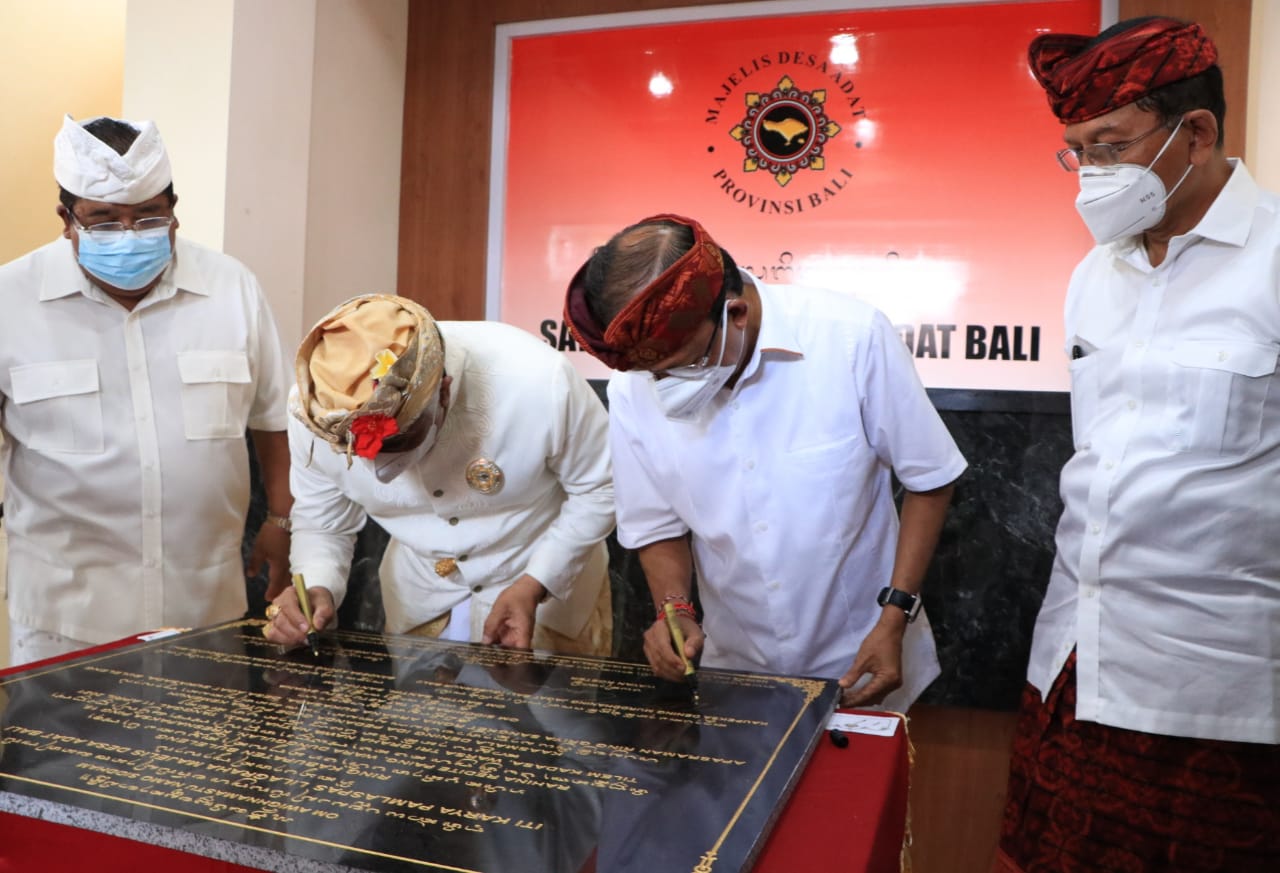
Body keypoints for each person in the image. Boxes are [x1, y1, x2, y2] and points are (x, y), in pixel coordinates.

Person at [995, 18, 1280, 872]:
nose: (1090, 175)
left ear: (1196, 132)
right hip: (1074, 666)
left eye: (1111, 146)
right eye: (1076, 151)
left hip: (1213, 696)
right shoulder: (1096, 275)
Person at [563, 213, 967, 709]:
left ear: (735, 314)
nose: (665, 387)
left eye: (683, 365)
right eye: (653, 374)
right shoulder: (635, 386)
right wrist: (675, 610)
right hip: (735, 671)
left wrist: (893, 619)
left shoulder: (849, 338)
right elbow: (656, 525)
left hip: (863, 657)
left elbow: (929, 480)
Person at [0, 115, 293, 666]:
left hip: (206, 611)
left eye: (149, 217)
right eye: (104, 220)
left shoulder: (231, 289)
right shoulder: (10, 302)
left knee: (203, 754)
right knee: (63, 755)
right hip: (65, 621)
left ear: (175, 212)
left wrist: (281, 520)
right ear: (66, 219)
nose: (130, 235)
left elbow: (272, 419)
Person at [264, 294, 614, 656]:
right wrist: (318, 586)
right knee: (422, 712)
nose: (380, 472)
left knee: (548, 708)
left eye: (403, 444)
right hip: (420, 597)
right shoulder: (315, 409)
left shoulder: (536, 379)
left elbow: (602, 487)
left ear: (444, 390)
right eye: (361, 455)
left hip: (544, 583)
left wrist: (538, 580)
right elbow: (324, 522)